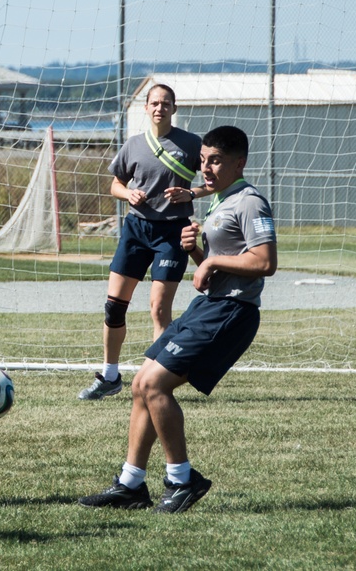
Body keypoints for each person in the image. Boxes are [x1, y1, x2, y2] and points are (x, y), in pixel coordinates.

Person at [78, 125, 277, 513]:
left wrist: (212, 259)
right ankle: (130, 484)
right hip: (210, 305)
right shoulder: (221, 200)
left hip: (231, 312)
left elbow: (265, 262)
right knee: (140, 383)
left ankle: (182, 480)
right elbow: (219, 273)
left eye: (216, 160)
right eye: (203, 160)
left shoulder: (250, 202)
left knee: (154, 385)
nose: (206, 168)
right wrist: (198, 255)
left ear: (240, 163)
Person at [79, 84, 208, 400]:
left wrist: (190, 193)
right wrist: (128, 194)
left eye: (165, 103)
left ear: (174, 108)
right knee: (113, 307)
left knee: (159, 308)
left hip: (171, 233)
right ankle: (110, 376)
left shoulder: (192, 144)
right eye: (154, 103)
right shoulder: (134, 145)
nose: (159, 108)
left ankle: (157, 380)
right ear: (146, 108)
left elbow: (213, 182)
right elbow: (115, 184)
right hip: (136, 230)